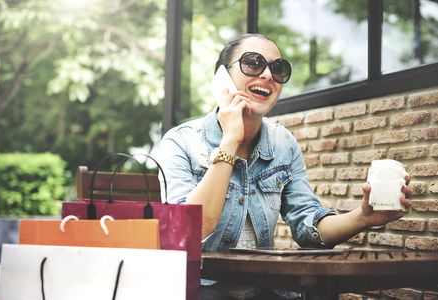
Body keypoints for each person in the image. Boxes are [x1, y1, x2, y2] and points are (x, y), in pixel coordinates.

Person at [158, 33, 413, 300]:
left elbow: (308, 226)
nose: (267, 75)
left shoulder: (283, 144)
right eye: (253, 63)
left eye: (277, 68)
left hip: (263, 288)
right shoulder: (180, 141)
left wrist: (362, 217)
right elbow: (188, 232)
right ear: (222, 77)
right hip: (201, 287)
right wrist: (230, 140)